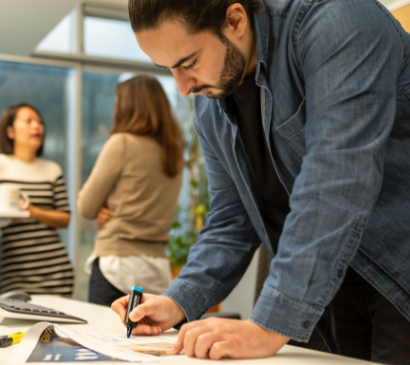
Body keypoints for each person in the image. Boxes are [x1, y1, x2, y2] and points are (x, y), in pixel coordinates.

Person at [111, 0, 410, 363]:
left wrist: (266, 326)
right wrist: (178, 300)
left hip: (399, 271)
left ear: (235, 19)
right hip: (325, 287)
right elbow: (230, 218)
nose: (183, 88)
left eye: (187, 63)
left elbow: (337, 180)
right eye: (167, 69)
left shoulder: (337, 19)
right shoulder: (211, 99)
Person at [78, 76, 184, 307]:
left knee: (100, 341)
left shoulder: (122, 143)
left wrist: (102, 207)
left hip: (117, 266)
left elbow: (86, 206)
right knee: (146, 342)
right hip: (157, 270)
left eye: (117, 102)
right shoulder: (173, 152)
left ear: (128, 106)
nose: (114, 110)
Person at [0, 103, 74, 296]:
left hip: (57, 271)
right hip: (16, 272)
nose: (37, 126)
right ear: (10, 131)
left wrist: (31, 211)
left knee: (56, 327)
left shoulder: (52, 170)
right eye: (28, 121)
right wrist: (8, 211)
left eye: (40, 122)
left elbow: (65, 218)